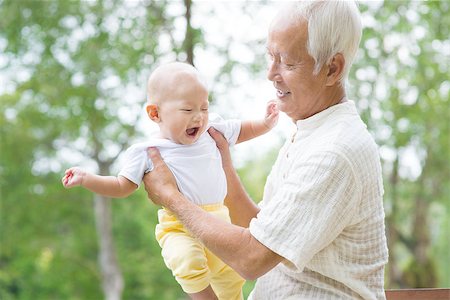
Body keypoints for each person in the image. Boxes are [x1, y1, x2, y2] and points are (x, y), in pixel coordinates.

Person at [142, 1, 389, 299]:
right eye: (270, 57)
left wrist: (171, 198)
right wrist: (222, 163)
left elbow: (252, 258)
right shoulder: (313, 132)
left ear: (331, 69)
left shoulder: (334, 151)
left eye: (286, 62)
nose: (271, 73)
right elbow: (264, 232)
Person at [61, 62, 279, 300]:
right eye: (187, 110)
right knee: (187, 261)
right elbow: (120, 185)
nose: (199, 117)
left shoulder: (212, 129)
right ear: (155, 113)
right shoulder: (147, 151)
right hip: (178, 227)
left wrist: (265, 123)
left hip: (219, 220)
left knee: (231, 275)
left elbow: (242, 130)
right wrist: (87, 178)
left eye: (204, 108)